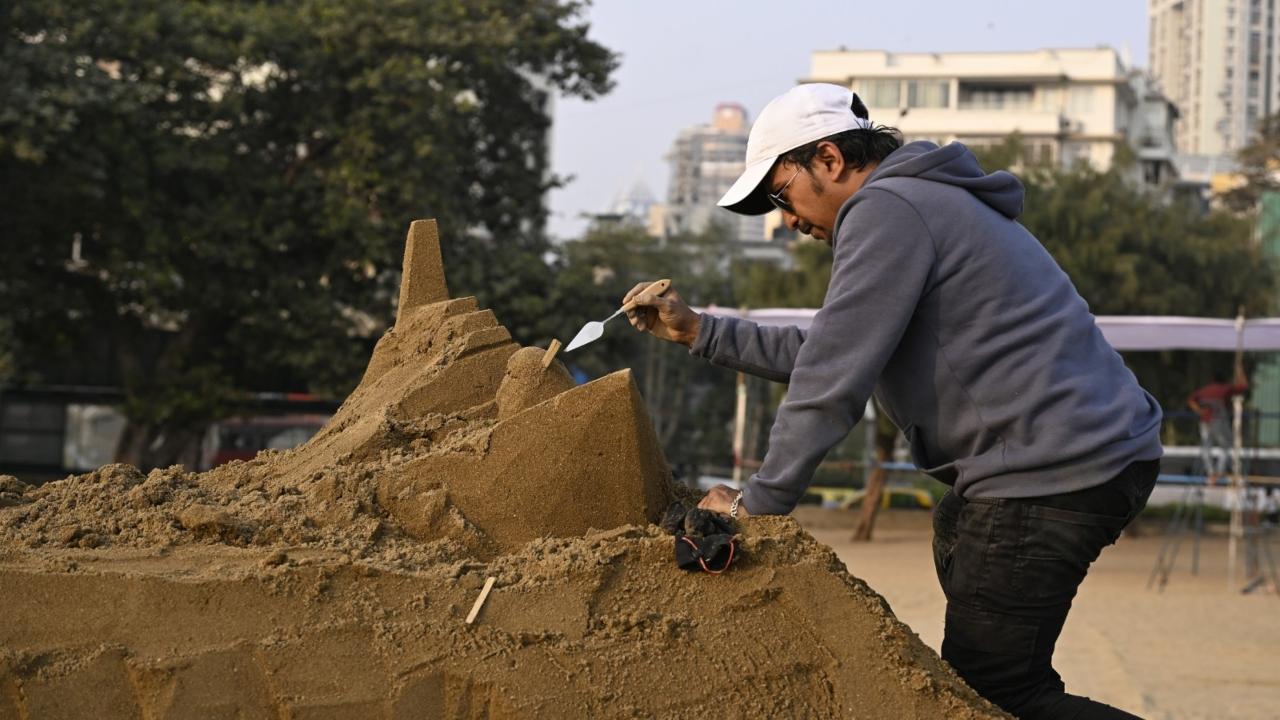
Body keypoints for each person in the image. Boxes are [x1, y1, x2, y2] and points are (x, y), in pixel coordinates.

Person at [623, 83, 1163, 720]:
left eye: (780, 194)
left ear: (828, 159)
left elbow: (831, 380)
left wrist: (757, 503)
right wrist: (698, 331)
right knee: (959, 539)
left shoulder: (888, 210)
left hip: (1050, 470)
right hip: (1079, 455)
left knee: (996, 694)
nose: (786, 220)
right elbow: (833, 350)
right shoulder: (920, 202)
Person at [1187, 367, 1248, 484]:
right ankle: (1219, 472)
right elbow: (1243, 386)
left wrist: (1199, 411)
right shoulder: (1225, 389)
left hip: (1205, 421)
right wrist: (1240, 371)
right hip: (1219, 421)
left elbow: (1191, 400)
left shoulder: (1204, 390)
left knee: (1206, 447)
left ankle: (1210, 473)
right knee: (1226, 446)